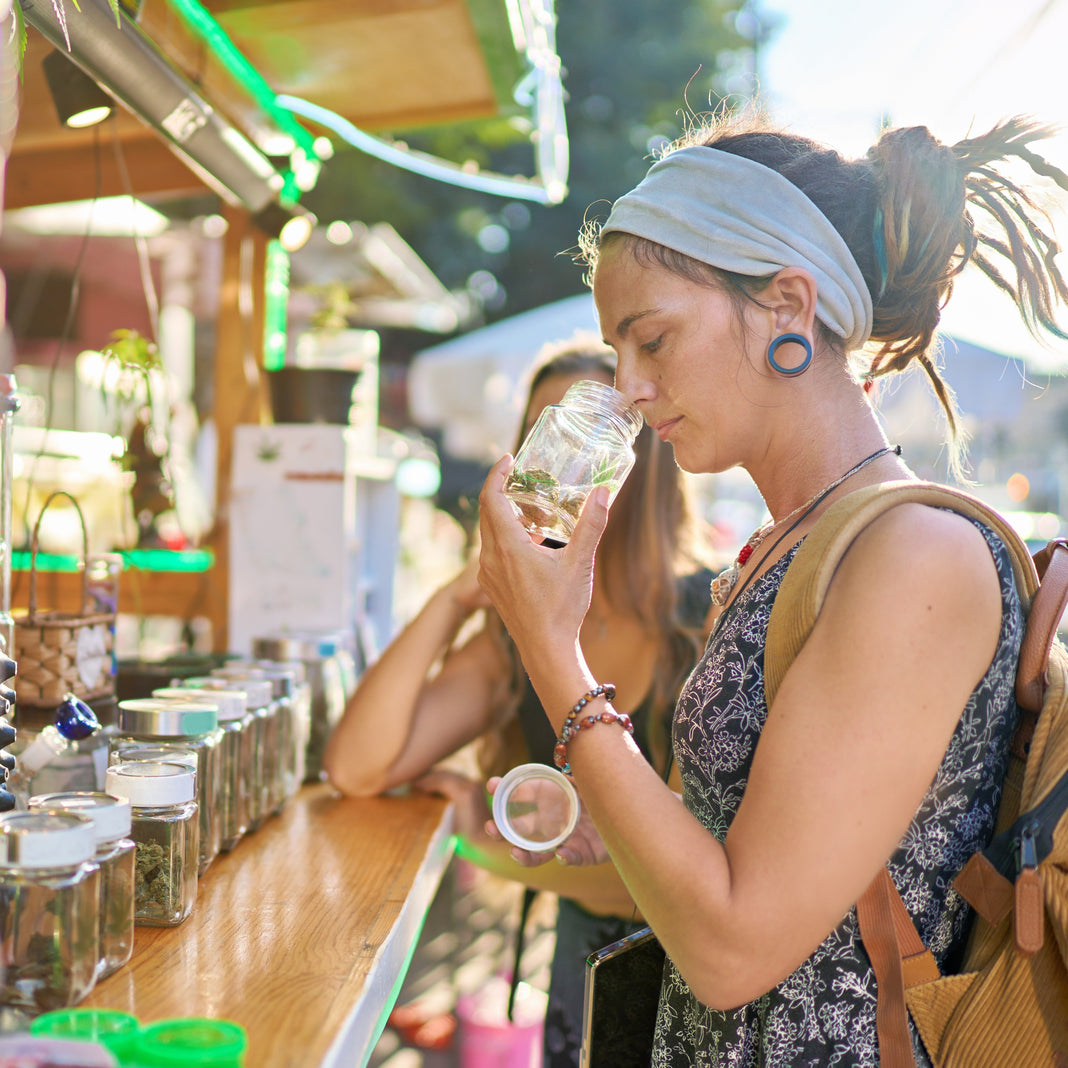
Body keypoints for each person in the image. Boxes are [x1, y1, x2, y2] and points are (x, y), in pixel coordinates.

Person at [474, 110, 1068, 1066]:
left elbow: (733, 948)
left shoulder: (915, 555)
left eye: (652, 339)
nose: (626, 385)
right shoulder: (791, 546)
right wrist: (609, 820)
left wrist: (551, 650)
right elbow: (746, 845)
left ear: (789, 306)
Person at [322, 334, 716, 1066]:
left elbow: (680, 868)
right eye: (551, 436)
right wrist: (457, 594)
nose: (562, 470)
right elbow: (359, 767)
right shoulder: (512, 640)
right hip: (582, 957)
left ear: (640, 465)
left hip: (696, 977)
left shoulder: (707, 616)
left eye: (593, 443)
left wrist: (490, 845)